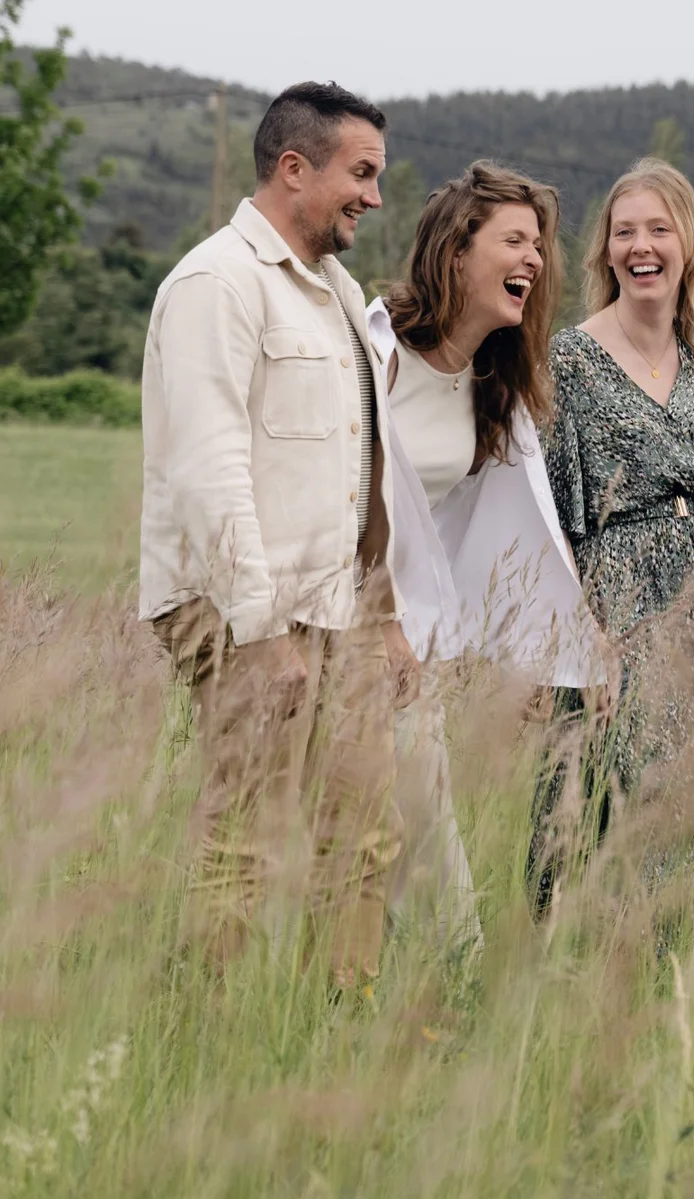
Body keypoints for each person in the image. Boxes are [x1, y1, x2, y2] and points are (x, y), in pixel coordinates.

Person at [139, 82, 414, 989]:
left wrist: (385, 611)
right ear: (294, 169)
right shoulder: (217, 282)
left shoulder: (336, 293)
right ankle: (203, 1045)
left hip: (340, 610)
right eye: (361, 173)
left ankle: (338, 1026)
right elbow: (207, 468)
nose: (376, 196)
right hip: (240, 614)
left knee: (367, 834)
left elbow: (359, 467)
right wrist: (260, 633)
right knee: (245, 842)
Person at [363, 161, 605, 956]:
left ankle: (422, 996)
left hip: (408, 654)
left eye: (539, 245)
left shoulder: (490, 382)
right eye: (514, 240)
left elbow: (514, 531)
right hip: (349, 627)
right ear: (457, 253)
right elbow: (336, 501)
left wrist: (539, 659)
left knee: (423, 830)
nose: (535, 259)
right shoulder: (378, 349)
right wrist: (381, 622)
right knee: (355, 830)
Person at [528, 158, 694, 917]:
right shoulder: (569, 359)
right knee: (603, 803)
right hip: (614, 608)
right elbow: (555, 518)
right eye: (625, 231)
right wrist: (583, 635)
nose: (642, 245)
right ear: (605, 252)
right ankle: (579, 974)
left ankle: (691, 979)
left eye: (659, 228)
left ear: (687, 244)